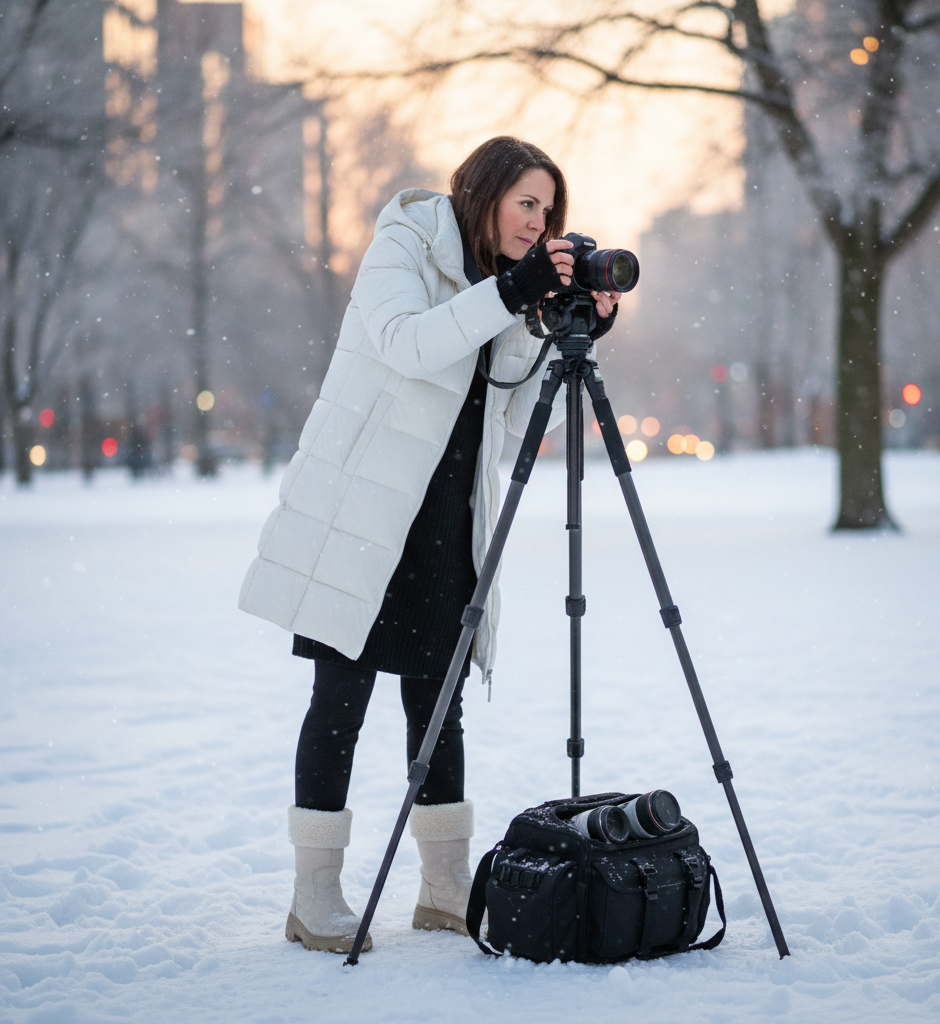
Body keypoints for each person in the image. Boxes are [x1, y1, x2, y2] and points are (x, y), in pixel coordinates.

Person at [239, 136, 620, 954]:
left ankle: (444, 891)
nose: (538, 220)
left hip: (448, 524)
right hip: (365, 517)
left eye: (548, 210)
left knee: (438, 707)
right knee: (339, 701)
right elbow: (408, 342)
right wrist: (515, 290)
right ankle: (315, 899)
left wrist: (565, 338)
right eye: (526, 202)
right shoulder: (403, 243)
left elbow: (517, 422)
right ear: (483, 193)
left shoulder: (509, 292)